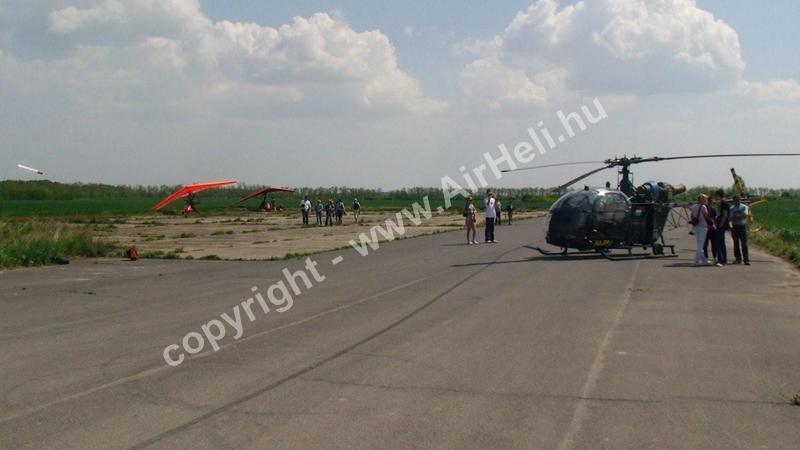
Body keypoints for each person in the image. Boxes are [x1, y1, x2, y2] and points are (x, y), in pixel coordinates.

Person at [690, 194, 711, 266]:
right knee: (701, 245)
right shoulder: (703, 207)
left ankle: (704, 260)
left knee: (699, 243)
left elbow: (692, 216)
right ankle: (696, 261)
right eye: (705, 199)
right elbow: (706, 216)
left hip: (696, 227)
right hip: (703, 227)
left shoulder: (693, 207)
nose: (706, 201)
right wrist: (711, 223)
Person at [730, 195, 750, 265]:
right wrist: (739, 216)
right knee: (736, 244)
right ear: (734, 200)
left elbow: (745, 215)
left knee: (744, 244)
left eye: (738, 199)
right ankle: (738, 259)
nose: (737, 201)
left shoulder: (744, 207)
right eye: (736, 200)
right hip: (735, 227)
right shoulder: (731, 208)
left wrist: (736, 216)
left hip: (742, 226)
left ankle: (746, 259)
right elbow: (731, 218)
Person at [714, 190, 730, 265]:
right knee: (720, 242)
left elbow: (725, 214)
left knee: (720, 242)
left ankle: (722, 260)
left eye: (716, 195)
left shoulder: (724, 203)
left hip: (721, 225)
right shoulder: (722, 203)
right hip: (720, 224)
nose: (716, 197)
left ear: (719, 195)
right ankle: (722, 259)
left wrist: (721, 224)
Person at [703, 195, 717, 262]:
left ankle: (715, 257)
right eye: (709, 201)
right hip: (705, 228)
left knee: (714, 244)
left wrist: (715, 225)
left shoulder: (713, 209)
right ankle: (705, 258)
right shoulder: (704, 209)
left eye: (711, 202)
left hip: (712, 229)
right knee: (705, 244)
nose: (710, 203)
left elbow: (715, 219)